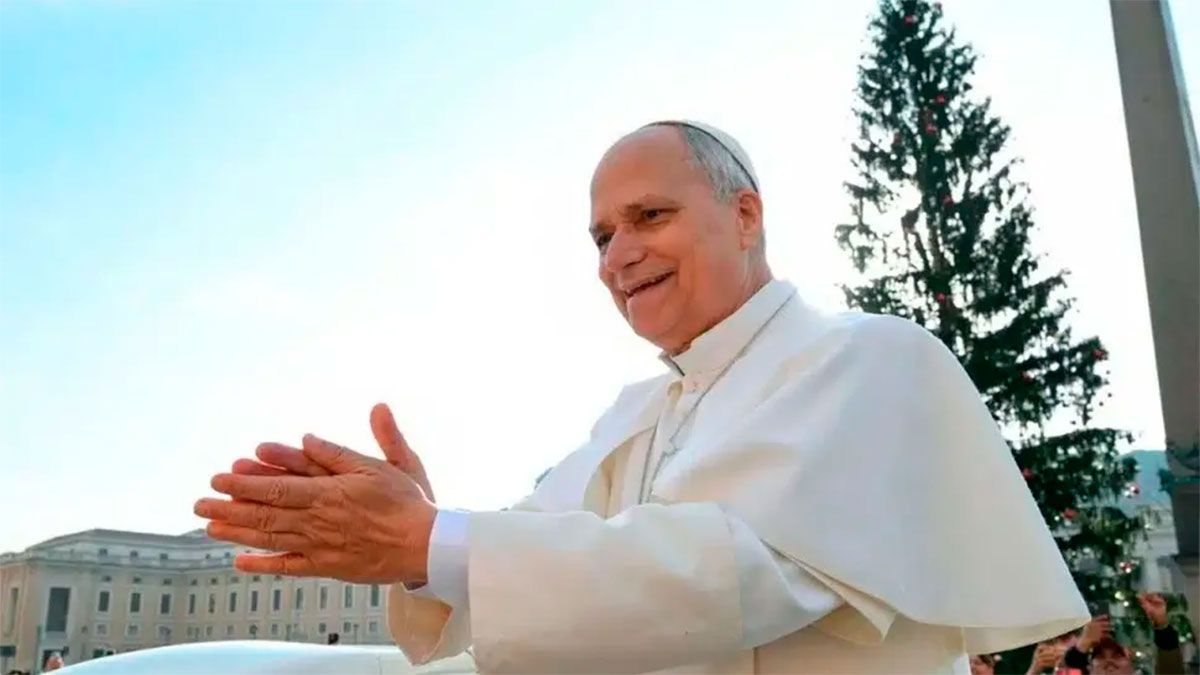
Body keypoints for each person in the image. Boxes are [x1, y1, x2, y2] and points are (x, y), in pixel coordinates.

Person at [195, 121, 1091, 673]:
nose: (618, 255)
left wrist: (431, 537)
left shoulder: (871, 357)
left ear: (745, 215)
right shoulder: (633, 412)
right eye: (600, 236)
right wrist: (416, 545)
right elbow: (524, 552)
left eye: (649, 217)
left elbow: (747, 575)